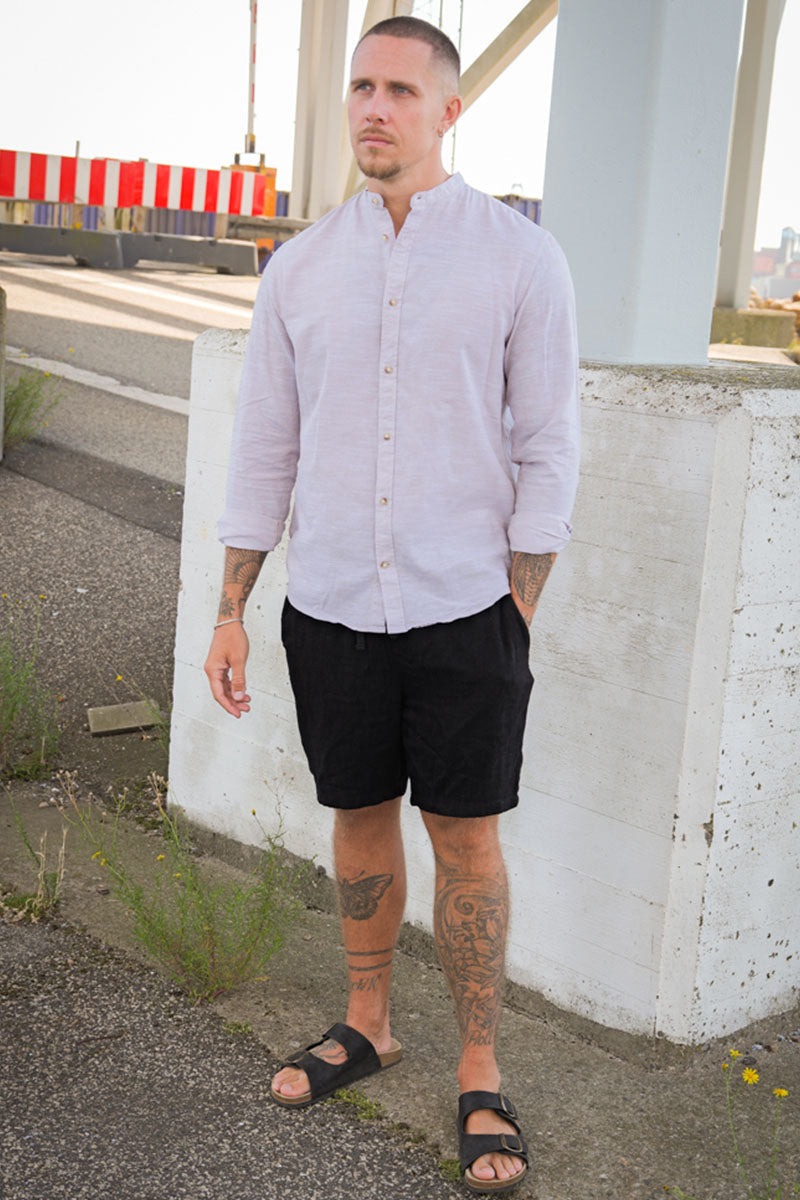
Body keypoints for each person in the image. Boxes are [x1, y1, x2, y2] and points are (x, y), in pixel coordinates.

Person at [205, 15, 579, 1194]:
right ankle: (368, 1025)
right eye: (361, 87)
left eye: (400, 91)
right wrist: (231, 606)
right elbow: (264, 448)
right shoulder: (301, 267)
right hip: (328, 606)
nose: (373, 107)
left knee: (466, 839)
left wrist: (515, 609)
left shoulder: (520, 259)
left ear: (447, 111)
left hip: (466, 606)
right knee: (357, 816)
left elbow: (548, 448)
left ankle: (478, 1067)